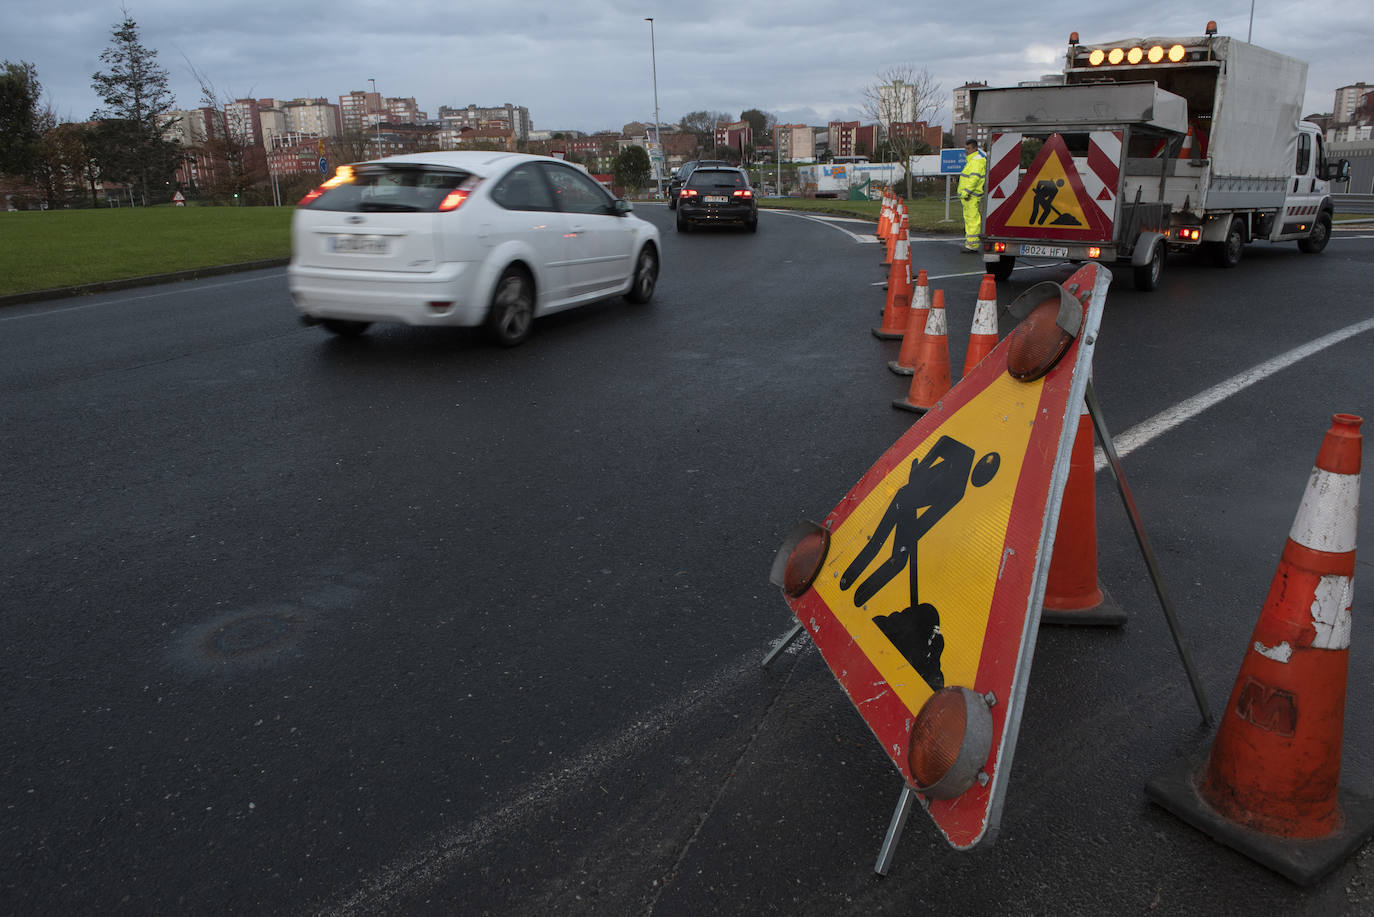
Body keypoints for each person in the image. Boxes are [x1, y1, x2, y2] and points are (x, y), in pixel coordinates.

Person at [958, 139, 987, 253]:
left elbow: (973, 179)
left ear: (975, 149)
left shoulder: (975, 162)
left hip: (970, 196)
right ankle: (970, 244)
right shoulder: (973, 161)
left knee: (972, 220)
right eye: (965, 148)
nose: (966, 151)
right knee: (970, 220)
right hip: (969, 196)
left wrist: (966, 193)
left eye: (968, 148)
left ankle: (972, 245)